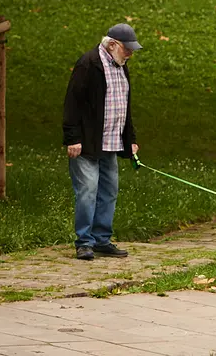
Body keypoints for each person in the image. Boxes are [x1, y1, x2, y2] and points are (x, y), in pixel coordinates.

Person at [63, 23, 142, 261]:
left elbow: (124, 107)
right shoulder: (88, 64)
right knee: (87, 191)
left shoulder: (122, 66)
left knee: (109, 192)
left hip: (112, 141)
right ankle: (84, 242)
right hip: (87, 143)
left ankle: (101, 239)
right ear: (112, 45)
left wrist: (130, 140)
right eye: (127, 49)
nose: (130, 54)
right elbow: (72, 103)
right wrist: (73, 139)